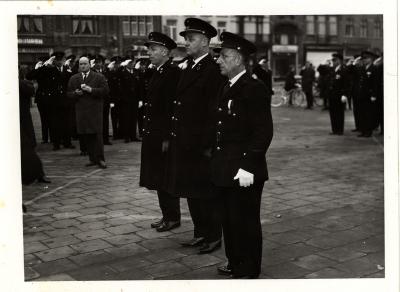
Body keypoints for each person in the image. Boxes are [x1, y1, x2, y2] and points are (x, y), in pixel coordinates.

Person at [212, 32, 273, 279]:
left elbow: (263, 132)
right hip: (226, 166)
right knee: (228, 219)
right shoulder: (227, 86)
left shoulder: (253, 88)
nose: (218, 61)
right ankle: (234, 261)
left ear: (237, 59)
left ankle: (248, 268)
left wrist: (249, 165)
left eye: (223, 56)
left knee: (245, 221)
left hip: (244, 169)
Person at [164, 17, 224, 254]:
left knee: (206, 194)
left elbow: (213, 112)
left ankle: (213, 236)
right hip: (185, 142)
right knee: (191, 191)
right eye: (186, 39)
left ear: (206, 42)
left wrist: (207, 145)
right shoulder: (188, 66)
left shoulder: (212, 69)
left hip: (201, 145)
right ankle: (200, 233)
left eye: (191, 39)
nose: (186, 43)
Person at [140, 32, 181, 232]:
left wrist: (166, 137)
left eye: (153, 49)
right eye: (149, 49)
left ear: (165, 51)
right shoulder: (158, 71)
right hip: (153, 134)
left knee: (165, 177)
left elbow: (171, 108)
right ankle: (167, 215)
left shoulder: (172, 73)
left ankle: (173, 217)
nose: (149, 52)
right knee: (157, 176)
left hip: (162, 136)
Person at [67, 56, 109, 168]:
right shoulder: (74, 78)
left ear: (89, 65)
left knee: (97, 136)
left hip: (95, 111)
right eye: (81, 64)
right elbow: (68, 94)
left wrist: (91, 90)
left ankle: (100, 159)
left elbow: (105, 91)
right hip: (81, 112)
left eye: (85, 63)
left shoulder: (99, 77)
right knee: (86, 135)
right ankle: (92, 159)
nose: (83, 66)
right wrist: (75, 93)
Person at [19, 67, 51, 185]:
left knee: (29, 146)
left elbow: (31, 90)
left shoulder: (21, 83)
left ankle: (39, 174)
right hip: (20, 120)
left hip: (23, 119)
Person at [119, 58, 141, 143]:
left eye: (133, 63)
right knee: (126, 118)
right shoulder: (123, 72)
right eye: (130, 63)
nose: (132, 64)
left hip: (135, 99)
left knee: (133, 118)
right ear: (126, 64)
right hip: (126, 99)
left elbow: (139, 86)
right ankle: (126, 136)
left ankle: (133, 136)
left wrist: (140, 99)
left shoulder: (136, 72)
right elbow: (120, 87)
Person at [327, 53, 350, 135]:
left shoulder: (344, 70)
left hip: (339, 95)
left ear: (339, 61)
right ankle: (334, 130)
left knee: (339, 113)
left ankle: (340, 130)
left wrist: (345, 94)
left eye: (334, 60)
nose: (333, 62)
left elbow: (346, 83)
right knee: (333, 113)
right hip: (332, 95)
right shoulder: (333, 69)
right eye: (332, 60)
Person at [358, 51, 379, 138]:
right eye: (363, 59)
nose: (364, 60)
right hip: (362, 94)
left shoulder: (374, 68)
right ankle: (363, 131)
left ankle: (368, 131)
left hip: (369, 95)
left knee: (369, 114)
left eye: (366, 58)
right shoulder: (363, 68)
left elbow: (375, 83)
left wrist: (374, 94)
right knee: (362, 113)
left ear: (370, 59)